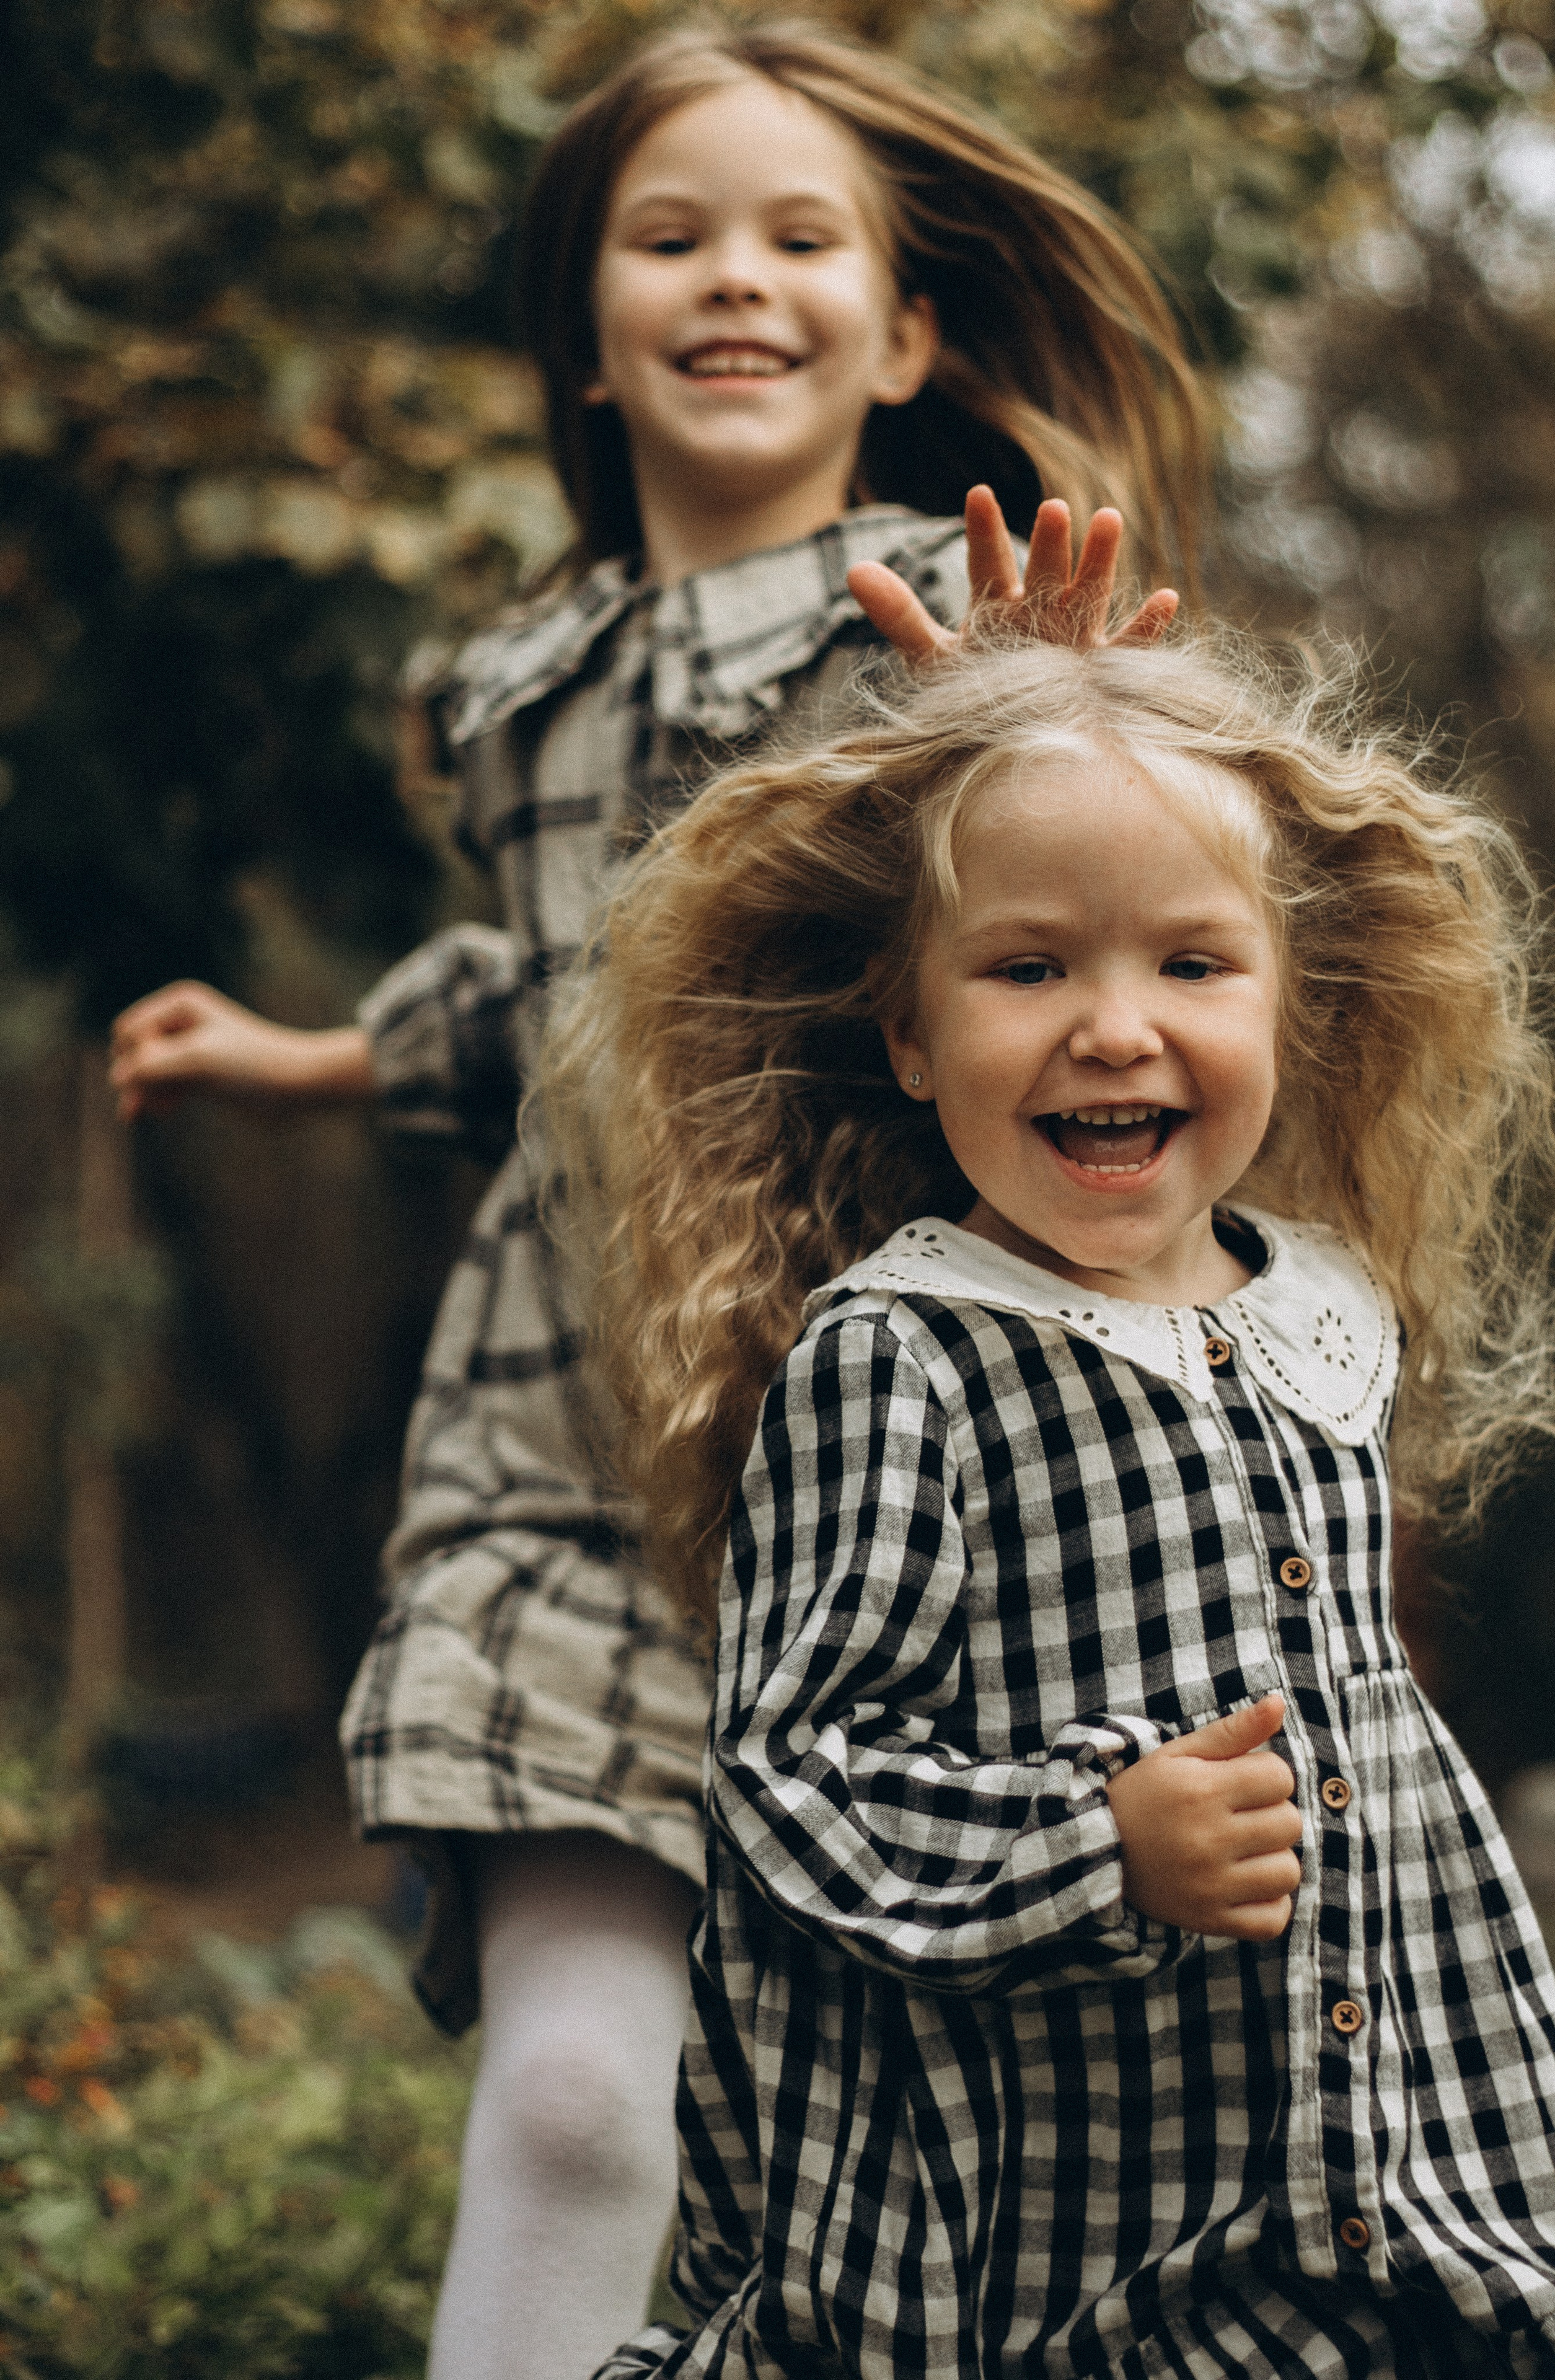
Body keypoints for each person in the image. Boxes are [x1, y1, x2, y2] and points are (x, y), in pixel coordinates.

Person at [107, 22, 1204, 2375]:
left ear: (902, 333)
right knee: (589, 2104)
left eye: (805, 237)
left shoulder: (955, 617)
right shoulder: (509, 690)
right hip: (567, 1457)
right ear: (587, 339)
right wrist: (311, 1057)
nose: (740, 276)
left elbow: (1087, 935)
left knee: (932, 2169)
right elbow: (551, 981)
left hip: (912, 1472)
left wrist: (1056, 729)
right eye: (672, 232)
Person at [552, 624, 1555, 2376]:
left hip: (1370, 2141)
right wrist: (1100, 1841)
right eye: (1028, 969)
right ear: (908, 1031)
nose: (1118, 1030)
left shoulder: (1321, 1303)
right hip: (1074, 2202)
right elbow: (798, 1772)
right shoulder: (906, 1355)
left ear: (1290, 1006)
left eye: (1194, 961)